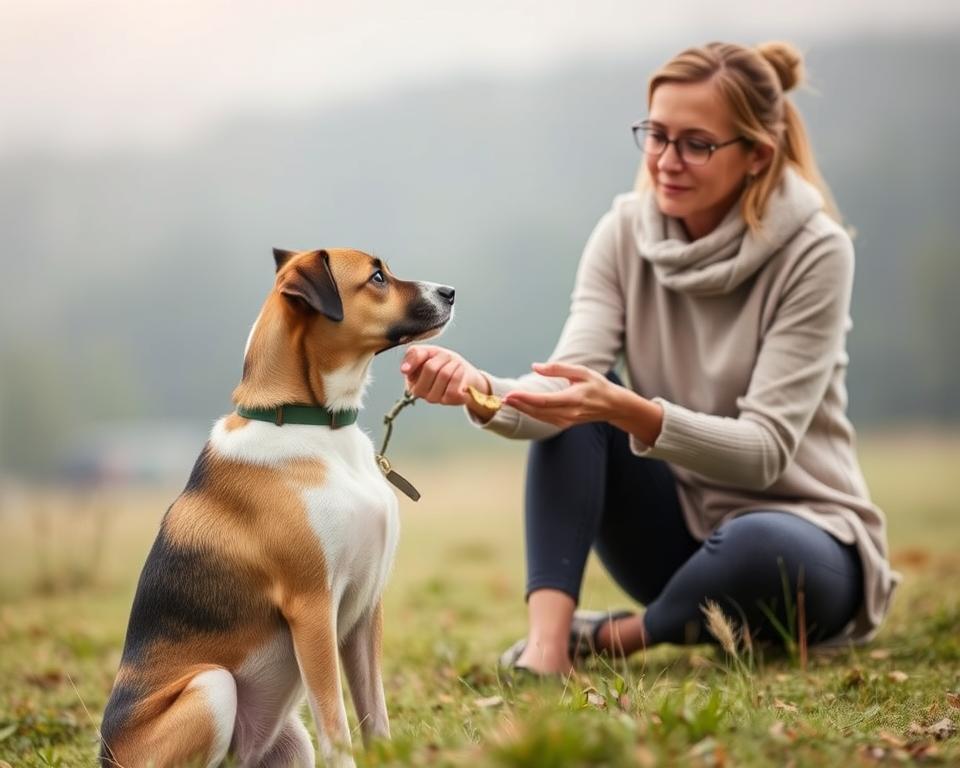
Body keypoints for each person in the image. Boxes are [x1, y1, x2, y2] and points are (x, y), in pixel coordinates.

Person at [399, 41, 899, 676]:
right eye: (656, 135)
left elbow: (767, 450)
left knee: (754, 540)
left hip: (805, 546)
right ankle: (548, 651)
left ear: (756, 156)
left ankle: (617, 637)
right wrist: (478, 388)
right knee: (578, 397)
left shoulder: (816, 251)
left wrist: (636, 414)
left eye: (696, 143)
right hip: (673, 544)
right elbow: (565, 388)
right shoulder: (623, 233)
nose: (666, 160)